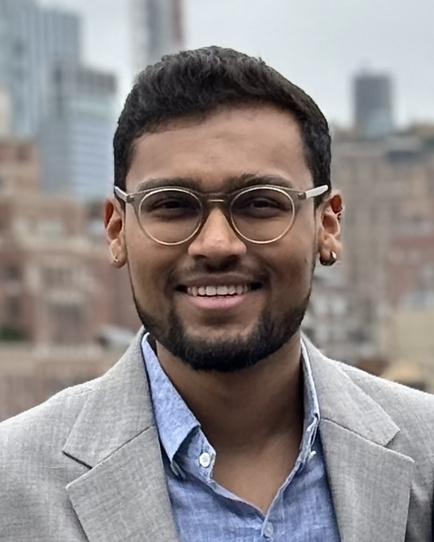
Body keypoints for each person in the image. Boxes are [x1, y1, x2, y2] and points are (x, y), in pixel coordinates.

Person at [0, 46, 433, 542]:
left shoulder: (425, 453)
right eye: (172, 205)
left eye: (260, 204)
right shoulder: (12, 484)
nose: (217, 244)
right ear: (117, 230)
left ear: (327, 225)